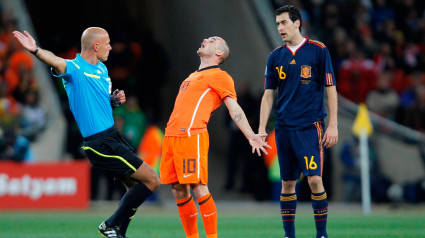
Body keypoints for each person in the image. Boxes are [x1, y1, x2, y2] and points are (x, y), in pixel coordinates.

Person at [13, 27, 160, 238]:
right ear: (96, 45)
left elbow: (95, 100)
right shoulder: (74, 68)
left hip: (112, 136)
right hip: (100, 142)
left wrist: (112, 100)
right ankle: (110, 226)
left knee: (135, 187)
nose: (111, 47)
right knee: (152, 180)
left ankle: (116, 231)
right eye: (108, 43)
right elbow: (55, 60)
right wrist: (36, 50)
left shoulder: (102, 69)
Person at [160, 36, 271, 238]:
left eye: (211, 40)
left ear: (219, 53)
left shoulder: (220, 76)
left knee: (199, 187)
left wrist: (250, 135)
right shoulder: (192, 76)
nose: (204, 39)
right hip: (172, 136)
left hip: (191, 136)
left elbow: (234, 108)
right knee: (178, 189)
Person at [258, 5, 338, 238]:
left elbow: (330, 87)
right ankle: (289, 235)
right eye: (277, 24)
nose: (280, 28)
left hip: (310, 127)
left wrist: (332, 124)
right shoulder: (275, 56)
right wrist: (262, 128)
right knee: (287, 184)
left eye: (283, 22)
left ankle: (321, 234)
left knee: (314, 179)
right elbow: (268, 94)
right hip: (283, 129)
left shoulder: (318, 50)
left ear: (297, 23)